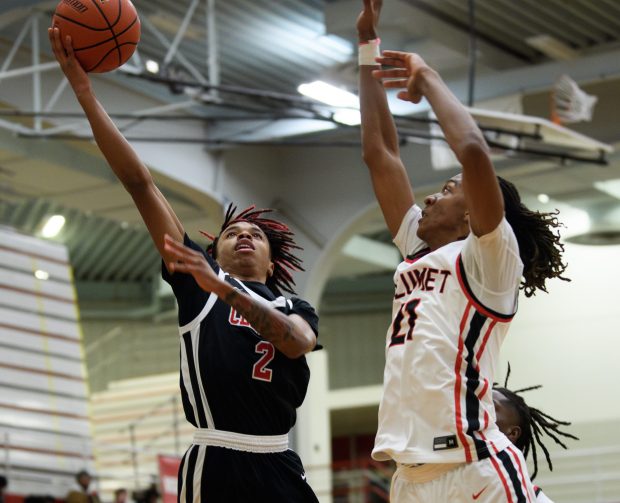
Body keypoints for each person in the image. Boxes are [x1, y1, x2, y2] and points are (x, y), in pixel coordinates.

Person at [49, 27, 319, 503]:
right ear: (213, 253)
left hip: (278, 459)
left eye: (255, 235)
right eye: (233, 232)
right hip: (216, 459)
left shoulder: (292, 302)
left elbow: (295, 343)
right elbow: (140, 183)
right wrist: (85, 93)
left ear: (273, 259)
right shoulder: (196, 283)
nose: (244, 236)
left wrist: (224, 288)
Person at [356, 0, 568, 501]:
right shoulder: (416, 250)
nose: (431, 195)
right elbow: (378, 153)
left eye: (450, 189)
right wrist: (367, 45)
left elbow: (472, 150)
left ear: (473, 214)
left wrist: (426, 77)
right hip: (409, 477)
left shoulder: (488, 261)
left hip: (475, 467)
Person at [494, 366, 579, 503]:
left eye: (490, 405)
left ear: (513, 432)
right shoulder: (452, 474)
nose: (481, 411)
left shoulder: (531, 497)